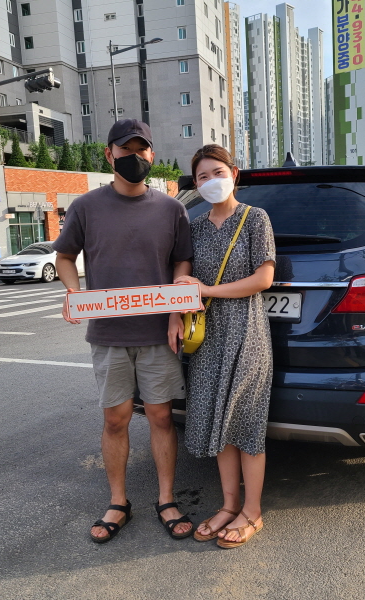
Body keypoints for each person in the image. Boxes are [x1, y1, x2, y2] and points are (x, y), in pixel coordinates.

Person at [53, 119, 195, 543]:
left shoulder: (172, 209)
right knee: (115, 420)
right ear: (108, 154)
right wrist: (73, 292)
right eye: (125, 150)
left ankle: (166, 499)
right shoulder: (86, 206)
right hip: (109, 334)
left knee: (161, 417)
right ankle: (118, 501)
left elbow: (182, 262)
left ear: (152, 154)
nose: (134, 157)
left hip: (158, 335)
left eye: (141, 149)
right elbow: (65, 256)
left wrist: (175, 311)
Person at [175, 144, 276, 549]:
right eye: (202, 176)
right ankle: (229, 504)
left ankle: (252, 511)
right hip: (206, 337)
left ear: (234, 174)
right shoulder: (194, 227)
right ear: (196, 184)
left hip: (247, 333)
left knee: (247, 423)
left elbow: (264, 278)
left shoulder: (255, 218)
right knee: (220, 421)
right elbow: (182, 279)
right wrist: (182, 293)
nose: (210, 181)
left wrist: (207, 290)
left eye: (217, 172)